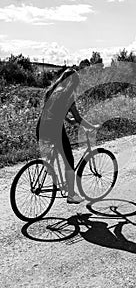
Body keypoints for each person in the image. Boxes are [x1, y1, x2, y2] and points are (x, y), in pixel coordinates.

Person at [36, 66, 99, 204]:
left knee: (56, 154)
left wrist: (68, 120)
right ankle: (71, 195)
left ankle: (54, 178)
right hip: (55, 129)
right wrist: (92, 127)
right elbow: (78, 118)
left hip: (41, 127)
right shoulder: (68, 94)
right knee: (69, 161)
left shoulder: (52, 91)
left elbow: (54, 111)